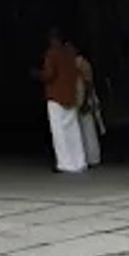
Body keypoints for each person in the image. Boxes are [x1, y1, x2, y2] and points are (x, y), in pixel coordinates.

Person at [41, 26, 101, 173]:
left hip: (56, 96)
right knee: (74, 130)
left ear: (52, 39)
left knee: (60, 132)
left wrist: (37, 74)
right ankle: (79, 162)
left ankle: (65, 163)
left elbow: (49, 74)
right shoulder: (71, 53)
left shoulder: (52, 53)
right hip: (71, 95)